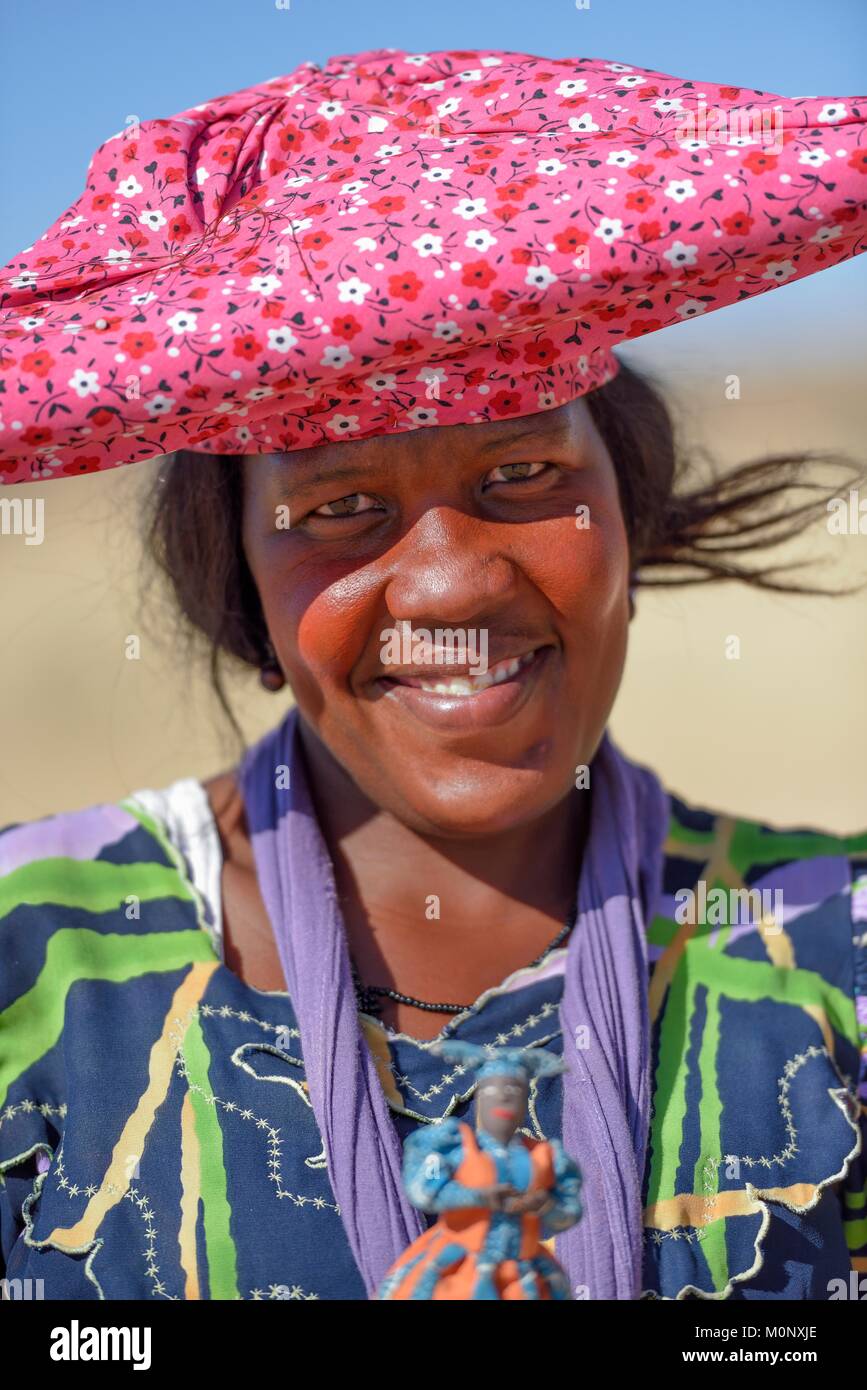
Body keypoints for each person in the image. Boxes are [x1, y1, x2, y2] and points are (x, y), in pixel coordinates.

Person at [0, 46, 866, 1302]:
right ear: (237, 569)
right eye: (342, 506)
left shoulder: (830, 948)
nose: (450, 582)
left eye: (523, 477)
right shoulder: (38, 962)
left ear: (628, 505)